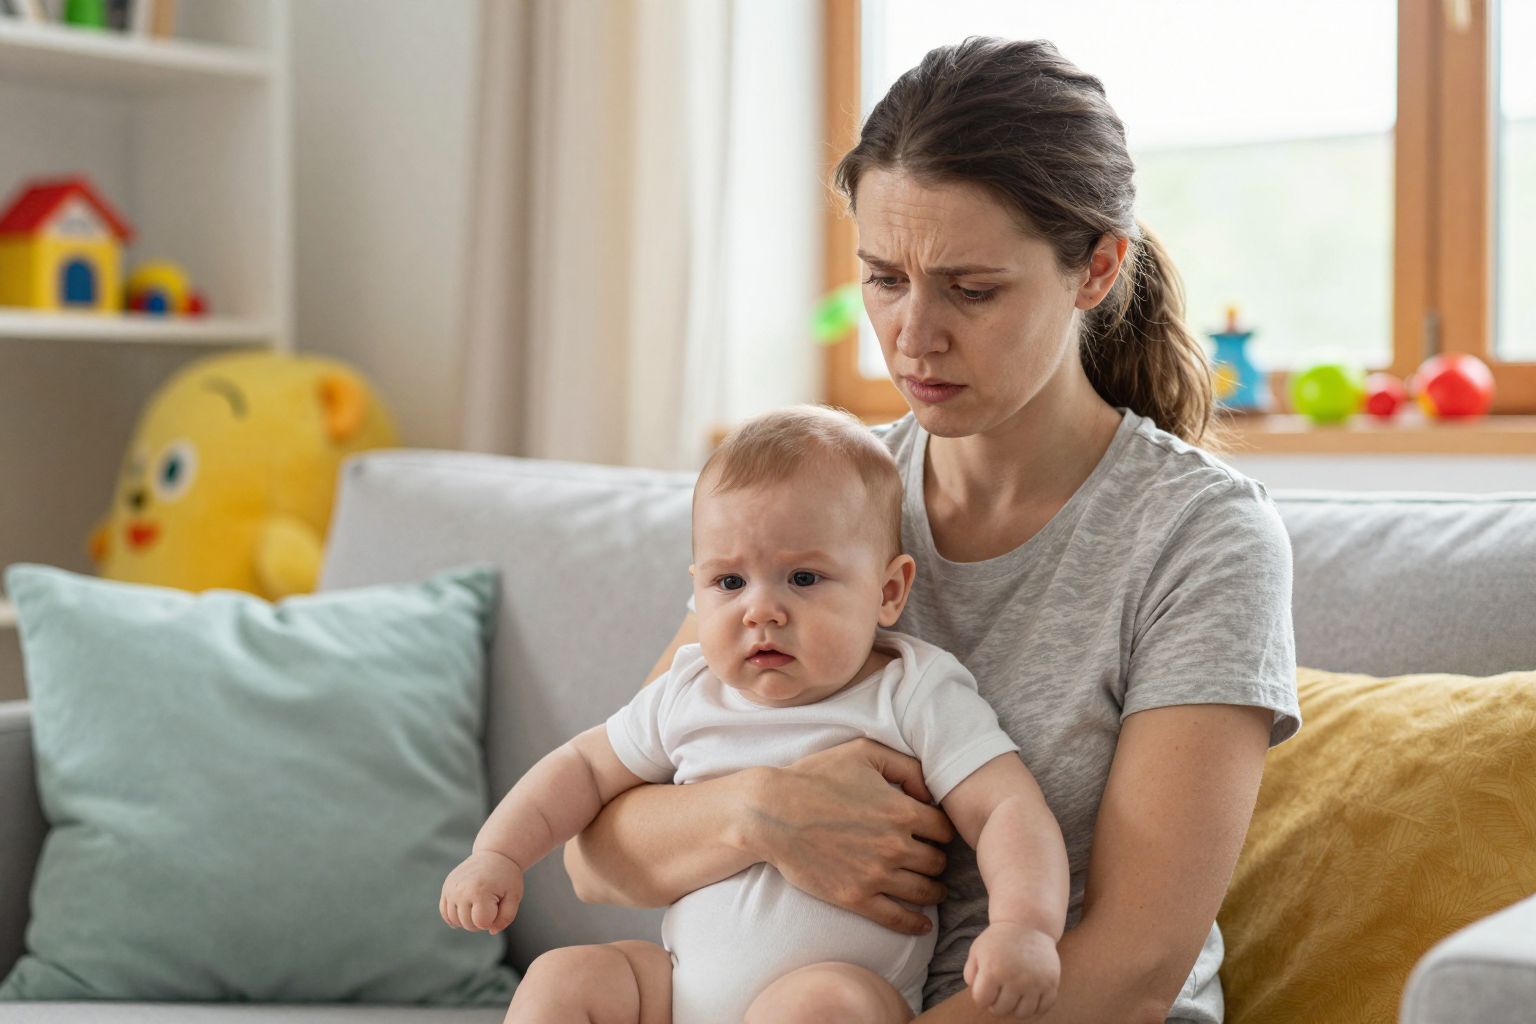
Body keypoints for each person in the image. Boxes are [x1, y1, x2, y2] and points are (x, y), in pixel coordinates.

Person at [563, 36, 1302, 1024]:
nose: (913, 335)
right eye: (883, 278)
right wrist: (763, 813)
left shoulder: (1199, 535)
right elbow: (598, 850)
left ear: (1095, 269)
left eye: (971, 288)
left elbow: (1132, 967)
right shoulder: (830, 493)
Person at [441, 405, 1070, 1023]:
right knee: (564, 975)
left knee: (821, 1006)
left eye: (802, 577)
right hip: (679, 989)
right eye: (729, 583)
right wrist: (498, 854)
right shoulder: (688, 688)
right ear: (696, 589)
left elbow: (1004, 808)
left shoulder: (910, 688)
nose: (760, 610)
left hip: (839, 992)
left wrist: (1024, 927)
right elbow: (581, 766)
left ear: (887, 592)